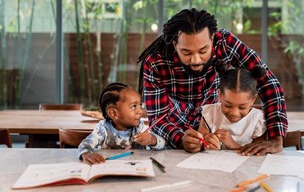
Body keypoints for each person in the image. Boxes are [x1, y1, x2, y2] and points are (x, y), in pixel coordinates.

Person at [137, 8, 288, 156]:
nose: (195, 60)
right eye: (186, 52)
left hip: (214, 124)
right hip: (175, 129)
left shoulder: (225, 43)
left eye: (203, 51)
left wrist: (276, 138)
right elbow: (158, 118)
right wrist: (181, 139)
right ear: (175, 44)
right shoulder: (155, 62)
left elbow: (269, 85)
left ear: (213, 39)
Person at [78, 83, 165, 165]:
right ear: (113, 113)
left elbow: (162, 144)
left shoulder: (139, 127)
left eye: (140, 105)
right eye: (134, 106)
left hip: (136, 167)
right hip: (108, 166)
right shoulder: (103, 128)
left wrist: (152, 140)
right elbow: (86, 143)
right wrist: (86, 154)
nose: (140, 111)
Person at [198, 65, 267, 150]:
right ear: (220, 95)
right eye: (228, 105)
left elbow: (256, 152)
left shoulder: (257, 119)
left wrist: (233, 145)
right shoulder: (210, 113)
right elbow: (200, 141)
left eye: (242, 107)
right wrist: (206, 142)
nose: (234, 113)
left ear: (253, 100)